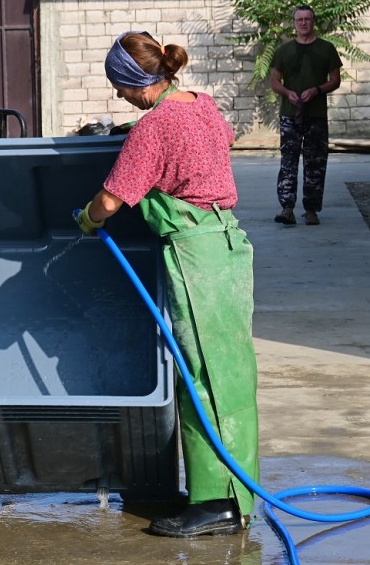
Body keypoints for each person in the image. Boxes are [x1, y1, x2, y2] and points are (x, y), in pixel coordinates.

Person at [74, 31, 259, 538]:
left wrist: (87, 220)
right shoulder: (202, 105)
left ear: (137, 83)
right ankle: (233, 493)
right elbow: (222, 141)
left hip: (195, 254)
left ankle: (214, 505)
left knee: (200, 379)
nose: (118, 96)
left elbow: (111, 200)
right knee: (232, 374)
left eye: (119, 86)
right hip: (229, 246)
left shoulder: (151, 130)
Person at [268, 5, 343, 226]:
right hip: (290, 116)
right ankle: (287, 208)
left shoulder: (326, 48)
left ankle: (311, 210)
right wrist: (287, 92)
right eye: (299, 19)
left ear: (313, 22)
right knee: (288, 162)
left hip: (316, 115)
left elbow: (335, 79)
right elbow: (274, 81)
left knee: (316, 163)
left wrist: (317, 90)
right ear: (294, 23)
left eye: (307, 19)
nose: (303, 23)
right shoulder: (283, 50)